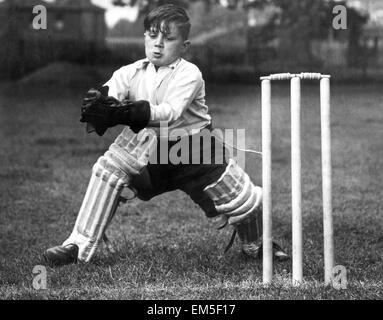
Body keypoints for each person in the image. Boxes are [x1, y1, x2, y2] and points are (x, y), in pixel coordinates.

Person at [43, 4, 288, 267]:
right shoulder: (130, 72)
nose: (158, 44)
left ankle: (257, 245)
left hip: (196, 150)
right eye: (152, 35)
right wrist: (99, 104)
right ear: (145, 37)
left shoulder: (190, 73)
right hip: (151, 151)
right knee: (108, 170)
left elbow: (170, 112)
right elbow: (109, 96)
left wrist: (127, 113)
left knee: (244, 200)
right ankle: (77, 247)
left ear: (184, 45)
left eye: (168, 38)